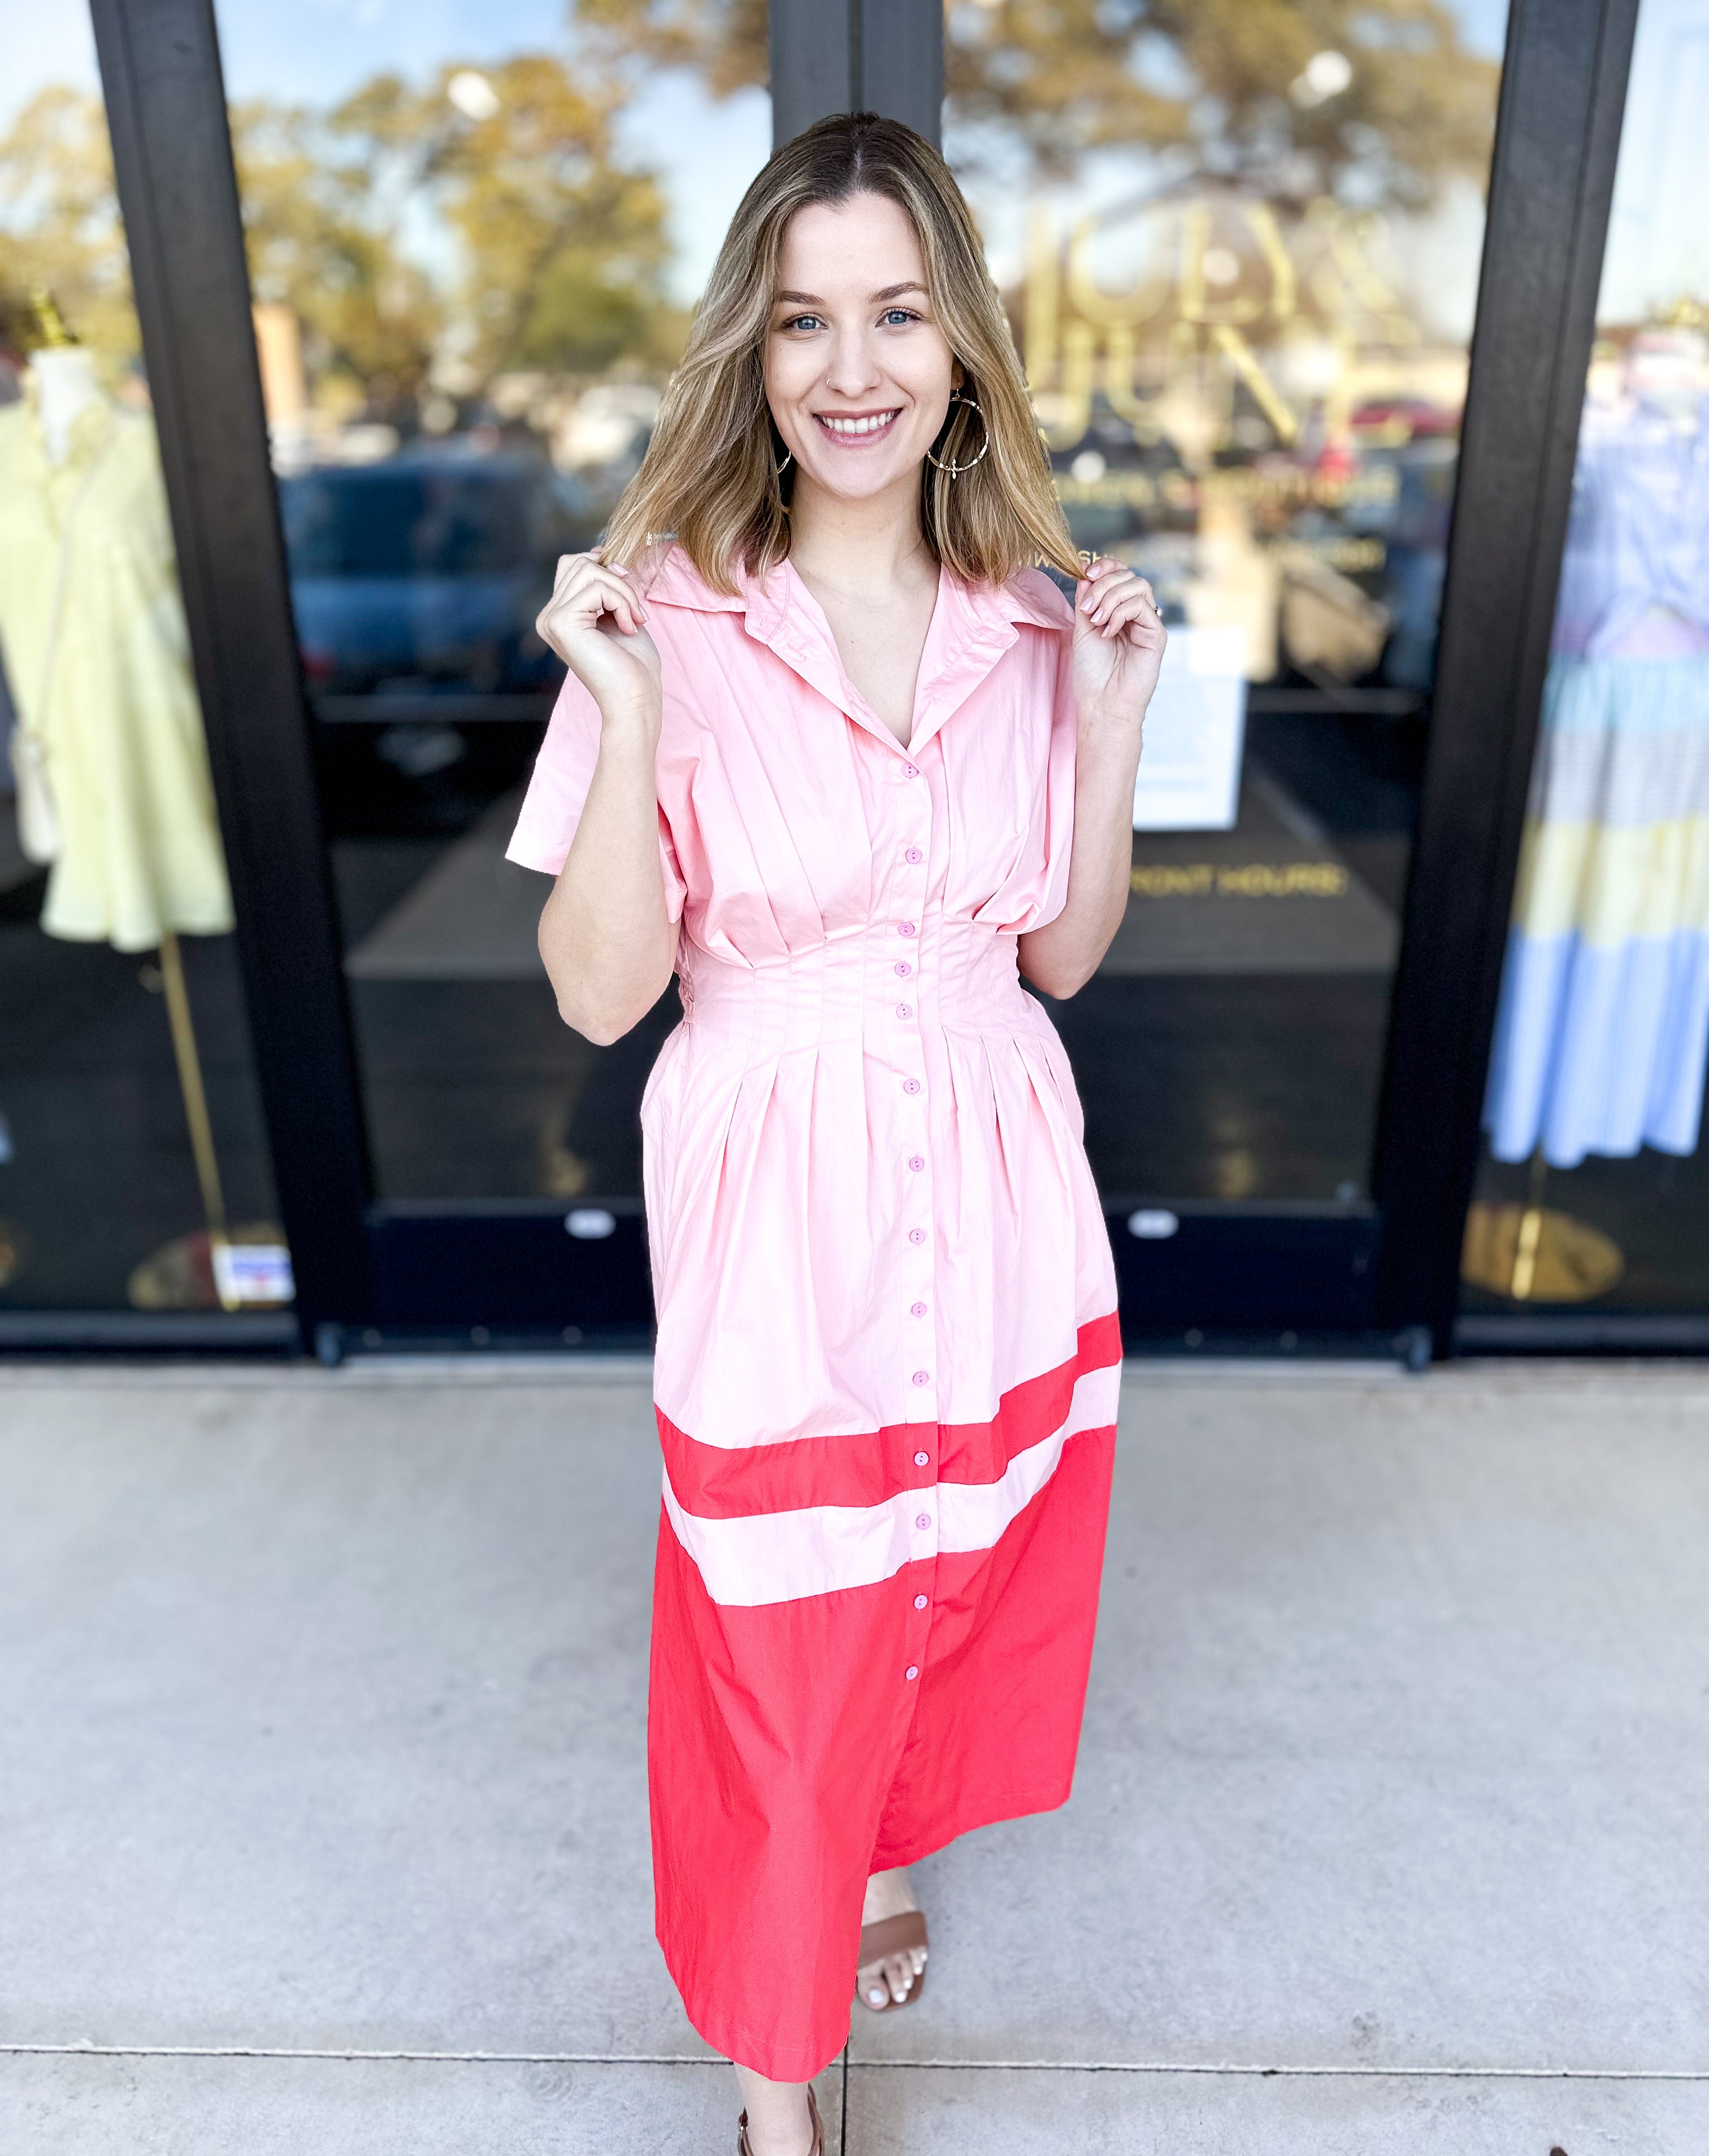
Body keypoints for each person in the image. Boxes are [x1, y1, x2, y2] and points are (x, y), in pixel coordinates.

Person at [507, 112, 1164, 2156]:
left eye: (898, 311)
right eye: (806, 319)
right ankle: (778, 2096)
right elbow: (603, 991)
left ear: (962, 341)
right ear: (753, 351)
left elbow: (1058, 953)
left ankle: (889, 1845)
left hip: (990, 1162)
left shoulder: (1035, 622)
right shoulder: (665, 621)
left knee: (952, 1572)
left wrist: (1116, 739)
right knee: (774, 1634)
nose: (854, 366)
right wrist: (626, 724)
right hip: (777, 1184)